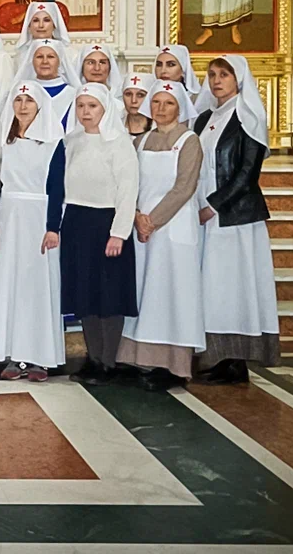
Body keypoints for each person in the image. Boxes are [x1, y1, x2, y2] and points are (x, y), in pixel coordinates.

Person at [193, 55, 279, 384]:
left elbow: (247, 174)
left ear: (238, 79)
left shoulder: (249, 116)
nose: (217, 80)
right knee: (213, 288)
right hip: (203, 215)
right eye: (212, 74)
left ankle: (235, 361)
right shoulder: (204, 118)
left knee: (234, 287)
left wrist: (213, 205)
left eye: (224, 74)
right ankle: (216, 355)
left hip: (234, 217)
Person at [118, 82, 205, 390]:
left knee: (173, 293)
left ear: (179, 107)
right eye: (155, 102)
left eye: (168, 103)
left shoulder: (189, 141)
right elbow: (129, 182)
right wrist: (136, 216)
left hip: (172, 228)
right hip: (142, 229)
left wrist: (152, 221)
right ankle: (138, 358)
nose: (160, 108)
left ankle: (173, 365)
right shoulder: (140, 141)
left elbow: (184, 187)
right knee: (144, 291)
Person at [0, 81, 66, 381]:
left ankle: (39, 357)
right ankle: (15, 356)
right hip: (8, 218)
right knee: (11, 286)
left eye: (29, 100)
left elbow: (57, 189)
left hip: (38, 220)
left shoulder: (54, 143)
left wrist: (53, 227)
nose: (23, 105)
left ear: (40, 105)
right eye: (18, 100)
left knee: (36, 287)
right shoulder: (5, 143)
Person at [59, 83, 139, 385]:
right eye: (81, 106)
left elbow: (128, 190)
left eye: (92, 106)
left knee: (109, 294)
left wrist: (119, 232)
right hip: (77, 222)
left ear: (105, 108)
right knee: (85, 293)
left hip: (107, 222)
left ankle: (108, 361)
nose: (85, 112)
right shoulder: (72, 140)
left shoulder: (119, 143)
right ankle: (92, 359)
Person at [13, 39, 80, 129]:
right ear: (32, 61)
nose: (45, 61)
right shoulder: (21, 93)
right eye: (39, 57)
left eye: (50, 57)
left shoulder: (73, 94)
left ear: (59, 61)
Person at [15, 1, 74, 65]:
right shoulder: (21, 56)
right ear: (29, 25)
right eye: (36, 20)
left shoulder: (70, 55)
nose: (41, 25)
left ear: (54, 25)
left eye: (46, 20)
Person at [122, 72, 154, 137]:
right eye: (128, 94)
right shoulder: (115, 125)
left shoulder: (159, 128)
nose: (133, 100)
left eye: (140, 95)